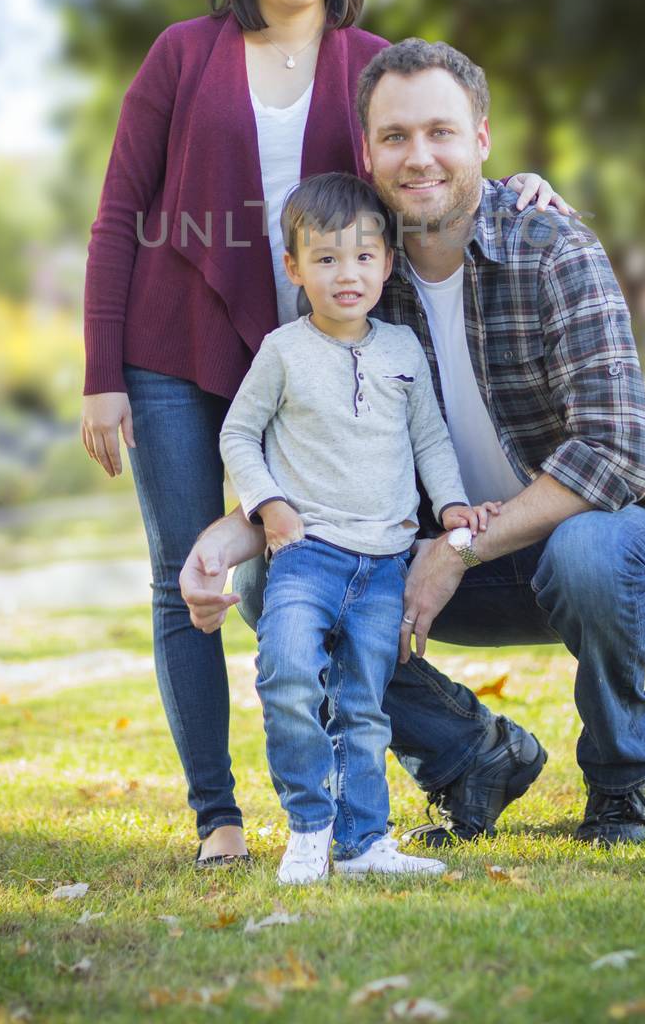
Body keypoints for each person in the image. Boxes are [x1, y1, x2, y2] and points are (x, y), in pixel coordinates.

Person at [81, 0, 563, 865]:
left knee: (321, 566)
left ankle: (461, 749)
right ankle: (215, 812)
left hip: (321, 358)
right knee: (187, 576)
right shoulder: (179, 54)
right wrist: (100, 374)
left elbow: (428, 155)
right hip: (176, 347)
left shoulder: (368, 61)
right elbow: (119, 214)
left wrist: (515, 182)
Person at [182, 39, 645, 848]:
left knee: (591, 552)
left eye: (441, 132)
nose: (418, 156)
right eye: (394, 137)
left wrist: (457, 546)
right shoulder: (354, 281)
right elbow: (307, 470)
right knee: (269, 585)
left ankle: (616, 789)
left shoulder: (552, 250)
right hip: (441, 562)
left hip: (600, 549)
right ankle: (472, 756)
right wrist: (226, 538)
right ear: (367, 152)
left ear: (482, 140)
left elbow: (615, 452)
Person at [221, 171, 503, 883]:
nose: (346, 274)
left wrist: (449, 509)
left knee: (363, 706)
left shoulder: (402, 349)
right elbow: (237, 436)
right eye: (325, 259)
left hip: (383, 565)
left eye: (363, 256)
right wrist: (268, 505)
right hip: (307, 556)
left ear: (385, 262)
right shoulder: (282, 351)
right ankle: (309, 826)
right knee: (287, 678)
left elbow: (431, 440)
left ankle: (365, 842)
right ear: (294, 268)